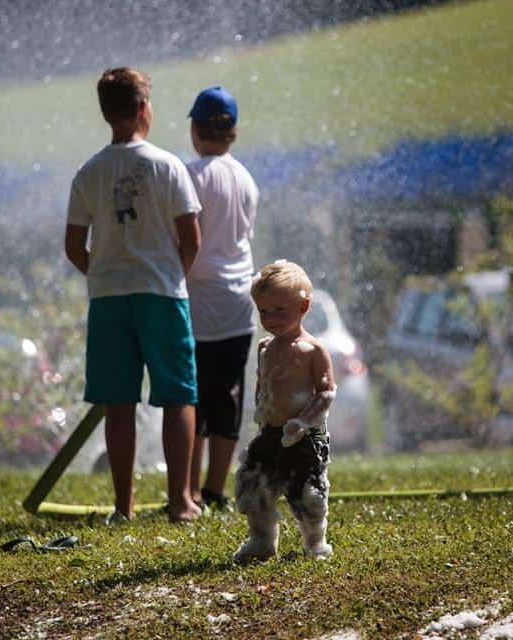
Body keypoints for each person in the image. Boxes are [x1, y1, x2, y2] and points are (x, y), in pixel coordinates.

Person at [64, 67, 203, 524]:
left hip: (108, 298)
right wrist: (170, 275)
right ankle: (180, 501)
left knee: (118, 402)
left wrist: (102, 274)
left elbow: (73, 244)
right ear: (144, 108)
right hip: (161, 293)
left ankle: (123, 507)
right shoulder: (167, 166)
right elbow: (191, 238)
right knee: (178, 396)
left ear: (106, 113)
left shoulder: (89, 171)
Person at [184, 86, 260, 510]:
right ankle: (216, 490)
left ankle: (189, 491)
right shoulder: (246, 178)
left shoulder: (194, 175)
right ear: (233, 132)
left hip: (199, 301)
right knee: (228, 395)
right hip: (239, 304)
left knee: (192, 396)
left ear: (196, 129)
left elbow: (187, 237)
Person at [233, 260, 336, 562]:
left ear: (304, 306)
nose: (271, 318)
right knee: (252, 484)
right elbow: (262, 387)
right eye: (264, 311)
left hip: (303, 436)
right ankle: (262, 539)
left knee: (308, 493)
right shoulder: (265, 347)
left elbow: (326, 393)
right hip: (270, 433)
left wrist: (303, 421)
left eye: (280, 310)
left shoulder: (313, 350)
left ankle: (315, 543)